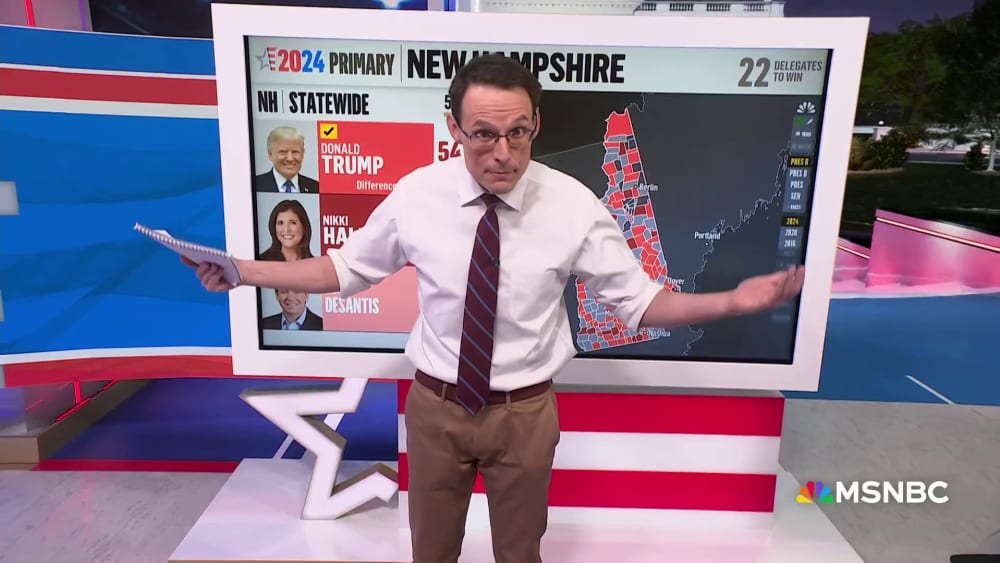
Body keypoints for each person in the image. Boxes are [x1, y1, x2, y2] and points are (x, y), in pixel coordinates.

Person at [185, 53, 804, 563]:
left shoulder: (574, 205)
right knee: (430, 553)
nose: (502, 151)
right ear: (454, 128)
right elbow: (342, 269)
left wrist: (731, 301)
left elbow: (640, 305)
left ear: (536, 124)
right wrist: (243, 271)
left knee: (519, 554)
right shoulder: (417, 195)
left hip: (524, 415)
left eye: (518, 132)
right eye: (483, 133)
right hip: (436, 409)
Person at [254, 126, 320, 193]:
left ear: (302, 155)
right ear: (270, 154)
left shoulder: (316, 187)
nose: (290, 159)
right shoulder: (255, 184)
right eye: (283, 152)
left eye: (295, 152)